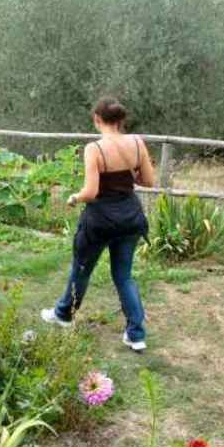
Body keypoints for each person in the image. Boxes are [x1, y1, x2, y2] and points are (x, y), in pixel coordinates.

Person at [41, 97, 155, 352]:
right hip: (130, 218)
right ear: (122, 120)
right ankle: (136, 334)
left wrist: (74, 197)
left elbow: (91, 192)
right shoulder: (137, 143)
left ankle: (64, 315)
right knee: (124, 276)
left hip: (100, 222)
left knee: (81, 270)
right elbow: (148, 181)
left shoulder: (95, 148)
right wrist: (129, 172)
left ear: (97, 119)